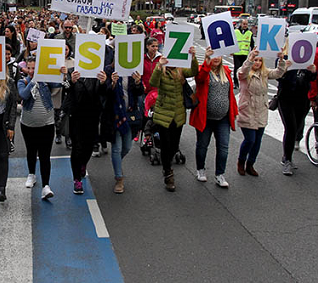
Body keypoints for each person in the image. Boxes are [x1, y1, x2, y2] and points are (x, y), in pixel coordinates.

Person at [149, 48, 198, 191]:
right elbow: (153, 83)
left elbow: (194, 72)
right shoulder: (162, 70)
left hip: (178, 114)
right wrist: (159, 66)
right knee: (165, 144)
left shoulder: (180, 70)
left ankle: (167, 164)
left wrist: (193, 58)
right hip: (164, 113)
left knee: (174, 145)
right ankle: (168, 172)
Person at [190, 47, 238, 189]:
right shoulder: (203, 70)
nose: (216, 58)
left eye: (218, 56)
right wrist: (207, 60)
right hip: (206, 117)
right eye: (213, 56)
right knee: (202, 145)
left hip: (223, 118)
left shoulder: (227, 72)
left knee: (223, 147)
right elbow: (199, 78)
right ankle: (200, 169)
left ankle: (220, 174)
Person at [17, 56, 63, 200]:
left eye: (34, 68)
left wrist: (63, 73)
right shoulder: (23, 81)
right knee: (31, 150)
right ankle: (31, 174)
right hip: (28, 125)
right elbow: (23, 94)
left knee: (45, 155)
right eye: (29, 68)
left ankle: (46, 186)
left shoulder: (47, 81)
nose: (31, 71)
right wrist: (33, 81)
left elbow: (61, 84)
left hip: (47, 124)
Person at [235, 50, 287, 177]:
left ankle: (251, 164)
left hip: (261, 110)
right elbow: (242, 72)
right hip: (247, 110)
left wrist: (281, 60)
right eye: (256, 60)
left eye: (259, 60)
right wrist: (250, 58)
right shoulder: (244, 73)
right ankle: (241, 161)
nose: (257, 63)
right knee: (250, 139)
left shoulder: (264, 73)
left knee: (258, 140)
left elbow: (279, 73)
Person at [64, 67, 106, 195]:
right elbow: (65, 88)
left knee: (88, 146)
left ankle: (83, 164)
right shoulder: (72, 71)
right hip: (76, 115)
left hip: (92, 114)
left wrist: (103, 82)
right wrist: (72, 81)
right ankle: (77, 179)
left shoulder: (97, 72)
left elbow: (103, 93)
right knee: (77, 147)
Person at [102, 66, 144, 194]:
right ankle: (119, 178)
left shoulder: (132, 69)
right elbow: (105, 93)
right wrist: (113, 83)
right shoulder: (110, 70)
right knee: (117, 147)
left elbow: (139, 92)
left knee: (127, 146)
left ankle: (117, 163)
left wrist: (137, 82)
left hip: (129, 115)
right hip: (115, 115)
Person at [276, 63, 317, 175]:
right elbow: (278, 77)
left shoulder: (307, 60)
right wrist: (285, 68)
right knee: (291, 128)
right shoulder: (285, 59)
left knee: (297, 127)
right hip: (286, 98)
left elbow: (311, 79)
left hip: (302, 99)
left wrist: (313, 71)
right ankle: (287, 159)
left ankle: (287, 156)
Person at [232, 19, 253, 89]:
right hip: (236, 53)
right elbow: (232, 41)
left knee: (243, 69)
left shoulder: (249, 33)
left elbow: (252, 43)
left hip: (244, 54)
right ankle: (235, 82)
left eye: (246, 24)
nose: (245, 25)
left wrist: (253, 53)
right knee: (237, 67)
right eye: (244, 24)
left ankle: (242, 82)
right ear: (241, 24)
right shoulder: (236, 32)